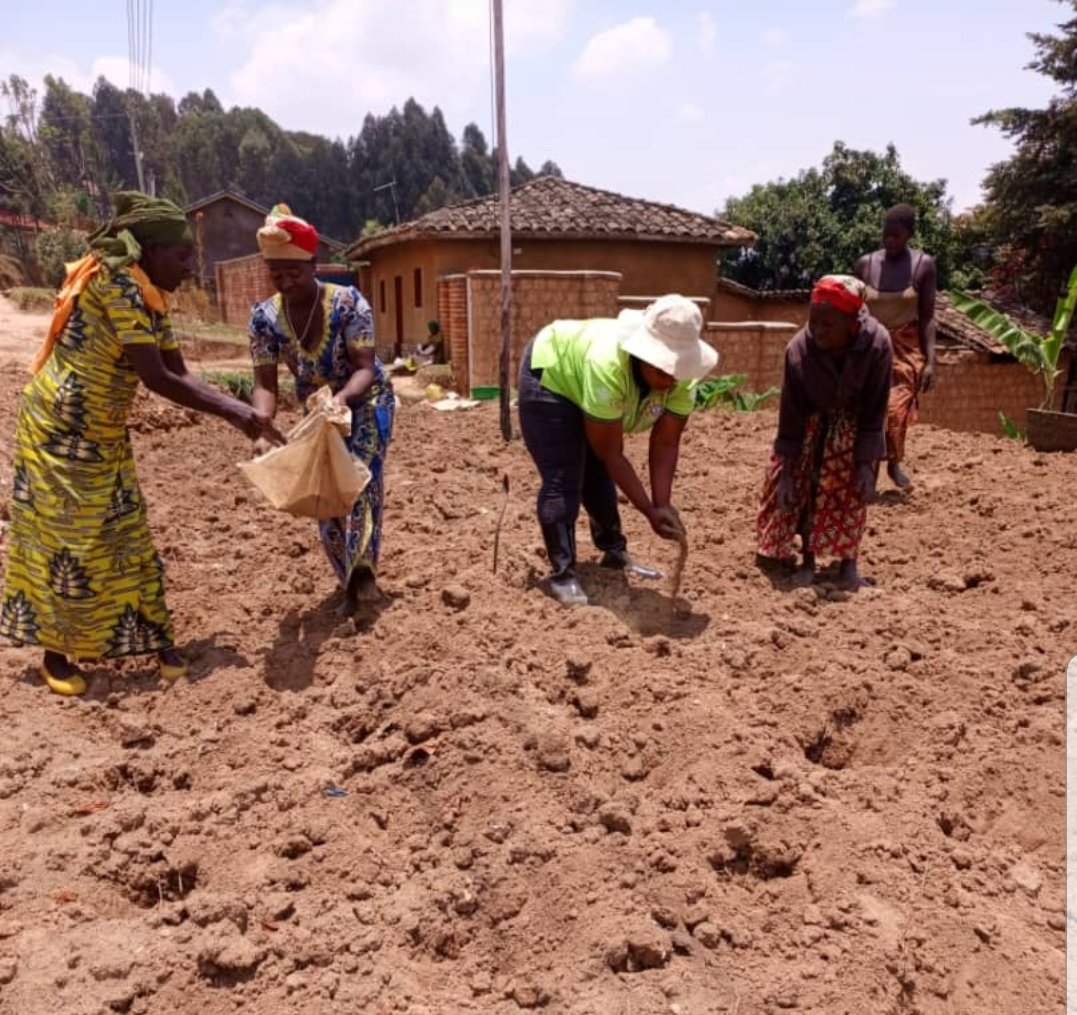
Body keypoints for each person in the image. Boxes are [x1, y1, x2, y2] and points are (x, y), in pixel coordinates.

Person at [0, 192, 283, 696]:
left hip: (102, 433)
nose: (191, 268)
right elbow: (156, 378)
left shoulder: (150, 293)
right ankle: (55, 654)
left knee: (128, 533)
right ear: (150, 251)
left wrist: (248, 416)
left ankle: (160, 645)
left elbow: (180, 372)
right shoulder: (116, 284)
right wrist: (240, 414)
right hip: (58, 433)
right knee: (69, 544)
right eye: (183, 256)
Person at [517, 294, 715, 607]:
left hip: (586, 383)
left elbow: (666, 442)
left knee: (597, 474)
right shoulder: (607, 365)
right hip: (552, 375)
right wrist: (648, 511)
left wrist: (662, 503)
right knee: (565, 477)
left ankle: (614, 552)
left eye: (677, 370)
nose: (671, 378)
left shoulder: (682, 381)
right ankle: (563, 574)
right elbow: (611, 453)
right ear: (642, 354)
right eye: (663, 369)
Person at [248, 205, 394, 615]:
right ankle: (347, 577)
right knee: (324, 494)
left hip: (365, 400)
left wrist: (342, 400)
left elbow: (365, 368)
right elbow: (264, 383)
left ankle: (363, 578)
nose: (285, 281)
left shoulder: (349, 304)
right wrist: (261, 425)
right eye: (276, 274)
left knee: (360, 481)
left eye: (293, 272)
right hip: (317, 410)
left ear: (313, 265)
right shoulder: (264, 319)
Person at [755, 275, 892, 589]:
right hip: (810, 424)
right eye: (813, 322)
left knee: (853, 494)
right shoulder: (798, 350)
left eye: (827, 325)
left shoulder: (877, 344)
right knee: (807, 489)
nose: (817, 331)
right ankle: (808, 561)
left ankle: (848, 566)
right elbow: (790, 416)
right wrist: (788, 471)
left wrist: (865, 465)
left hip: (854, 427)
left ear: (852, 323)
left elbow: (875, 410)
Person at [855, 204, 937, 490]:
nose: (890, 241)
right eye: (886, 235)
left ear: (909, 235)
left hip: (905, 348)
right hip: (870, 346)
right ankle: (866, 469)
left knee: (894, 409)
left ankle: (893, 463)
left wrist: (931, 361)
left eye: (896, 236)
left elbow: (928, 317)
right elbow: (854, 310)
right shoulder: (865, 264)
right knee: (867, 410)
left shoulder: (923, 265)